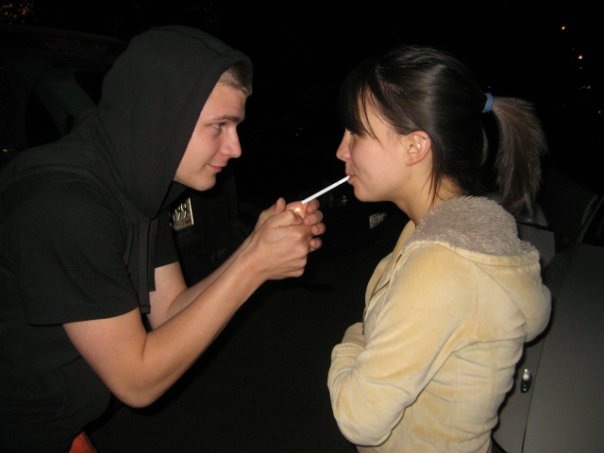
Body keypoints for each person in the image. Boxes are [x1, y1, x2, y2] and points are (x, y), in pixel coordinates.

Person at [0, 25, 325, 452]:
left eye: (236, 126)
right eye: (219, 126)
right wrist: (254, 266)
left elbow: (171, 310)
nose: (236, 148)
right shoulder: (67, 207)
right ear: (162, 117)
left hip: (57, 426)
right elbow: (137, 381)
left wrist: (256, 246)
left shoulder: (143, 188)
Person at [327, 44, 551, 452]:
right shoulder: (437, 233)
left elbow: (358, 418)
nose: (342, 150)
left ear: (415, 146)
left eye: (356, 132)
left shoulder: (441, 264)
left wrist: (353, 340)